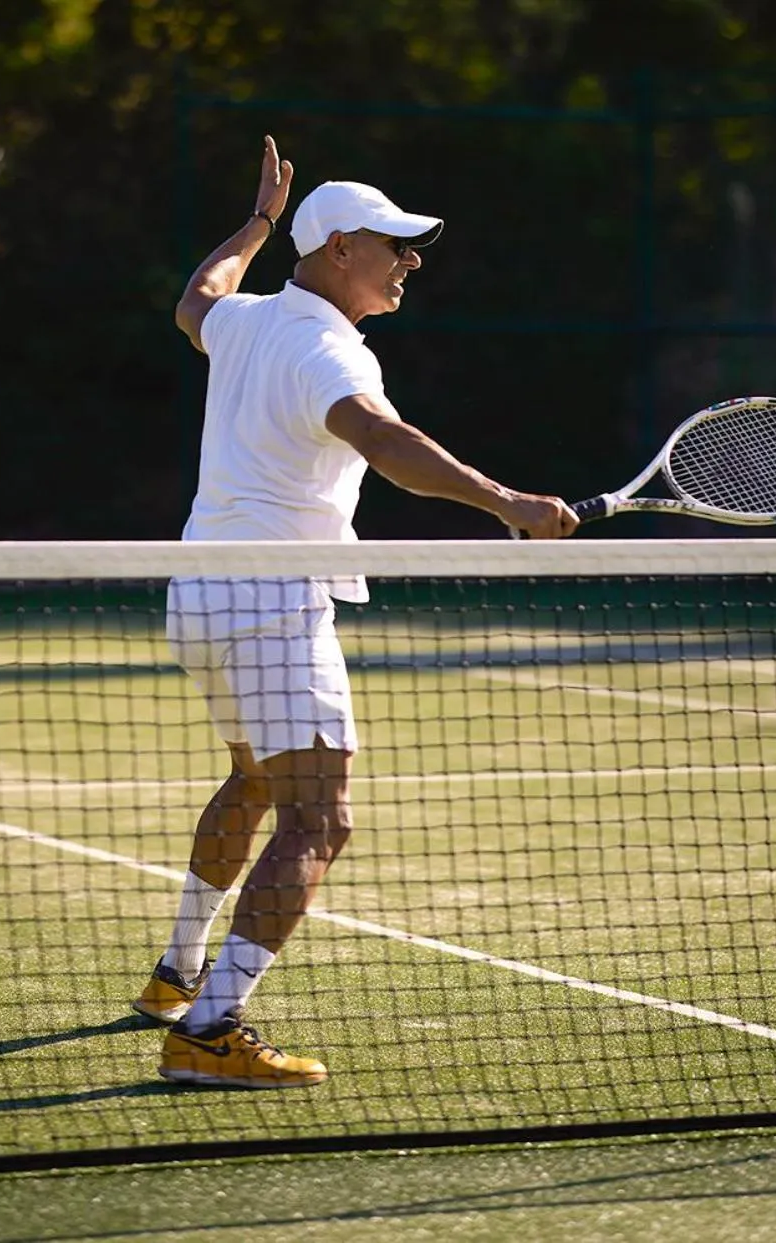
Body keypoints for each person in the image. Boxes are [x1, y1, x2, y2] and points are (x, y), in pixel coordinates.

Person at [134, 135, 579, 1089]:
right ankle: (211, 1030)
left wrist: (254, 223)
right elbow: (384, 439)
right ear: (339, 250)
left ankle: (177, 976)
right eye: (394, 243)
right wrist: (508, 504)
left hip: (200, 599)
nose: (410, 260)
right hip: (272, 605)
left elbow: (194, 299)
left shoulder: (251, 322)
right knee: (320, 820)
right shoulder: (325, 347)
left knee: (255, 781)